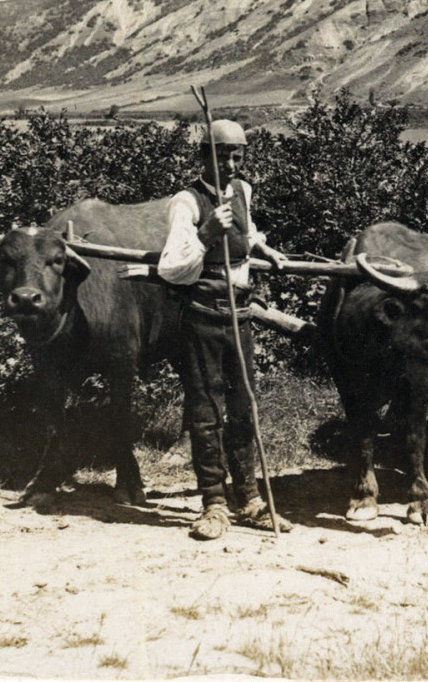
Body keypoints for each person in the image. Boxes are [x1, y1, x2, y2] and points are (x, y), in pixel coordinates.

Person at [158, 119, 292, 541]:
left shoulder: (242, 191)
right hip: (203, 315)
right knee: (206, 411)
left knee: (244, 405)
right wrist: (206, 232)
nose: (231, 164)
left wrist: (262, 247)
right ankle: (214, 504)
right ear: (204, 157)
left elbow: (245, 237)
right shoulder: (187, 202)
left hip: (242, 315)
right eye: (222, 155)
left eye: (238, 155)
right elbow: (172, 268)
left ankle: (249, 498)